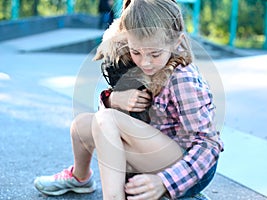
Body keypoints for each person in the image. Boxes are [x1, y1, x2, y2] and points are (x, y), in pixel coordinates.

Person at [33, 0, 224, 199]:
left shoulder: (182, 78)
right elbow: (104, 126)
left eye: (155, 54)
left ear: (176, 42)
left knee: (107, 119)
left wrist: (164, 182)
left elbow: (208, 144)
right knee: (82, 126)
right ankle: (80, 179)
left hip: (186, 167)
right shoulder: (133, 64)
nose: (145, 62)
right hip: (151, 152)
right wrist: (113, 100)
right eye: (136, 52)